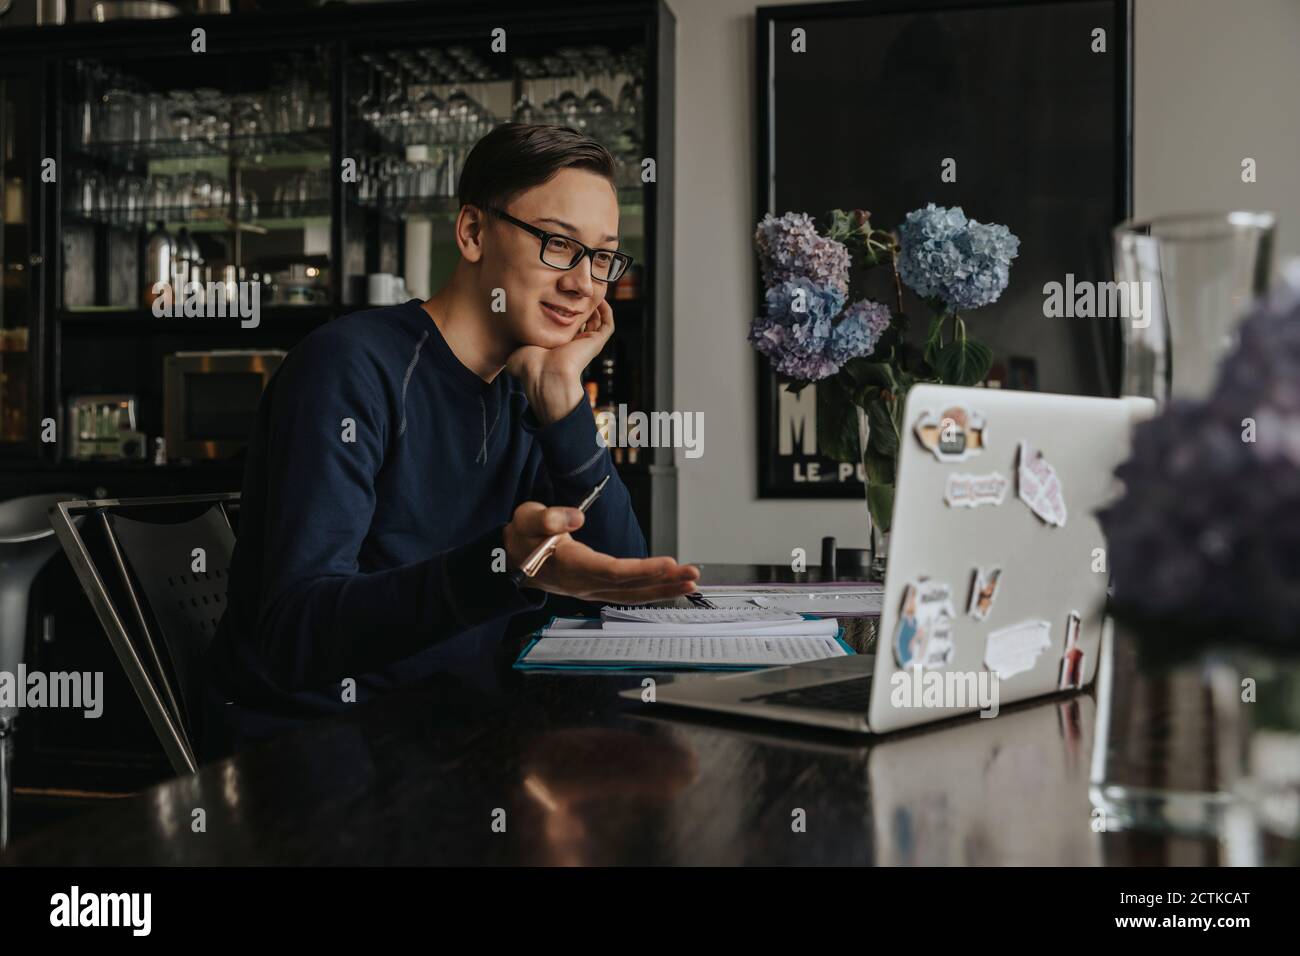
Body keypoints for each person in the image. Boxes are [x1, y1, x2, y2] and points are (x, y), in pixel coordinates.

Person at [201, 124, 699, 758]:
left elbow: (624, 586)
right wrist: (500, 565)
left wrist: (562, 399)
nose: (585, 284)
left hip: (455, 730)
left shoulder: (527, 383)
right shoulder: (348, 367)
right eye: (557, 244)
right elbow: (294, 635)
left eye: (602, 257)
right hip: (318, 751)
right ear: (472, 233)